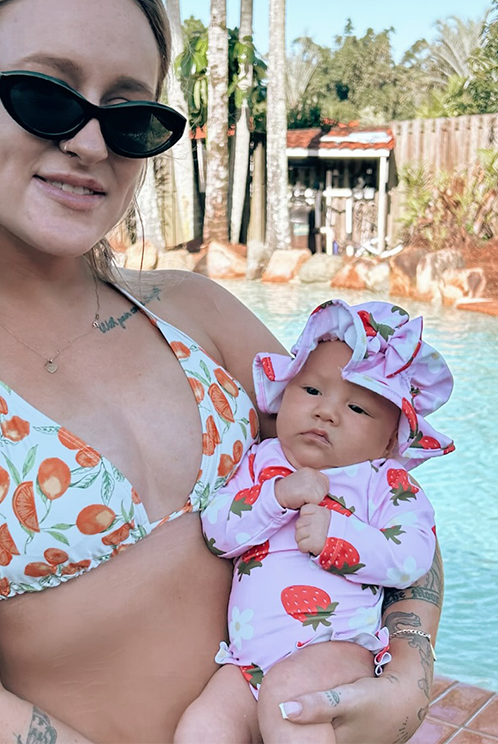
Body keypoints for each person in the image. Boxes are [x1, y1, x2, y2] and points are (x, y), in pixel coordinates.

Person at [0, 0, 443, 744]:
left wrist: (410, 676)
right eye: (46, 95)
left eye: (131, 115)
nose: (91, 144)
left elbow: (384, 486)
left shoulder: (197, 313)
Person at [175, 300, 453, 744]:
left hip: (337, 650)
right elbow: (217, 531)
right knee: (203, 727)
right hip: (249, 663)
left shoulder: (384, 481)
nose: (327, 412)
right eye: (311, 391)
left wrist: (338, 538)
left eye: (358, 408)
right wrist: (276, 498)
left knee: (291, 704)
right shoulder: (262, 463)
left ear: (389, 441)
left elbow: (413, 555)